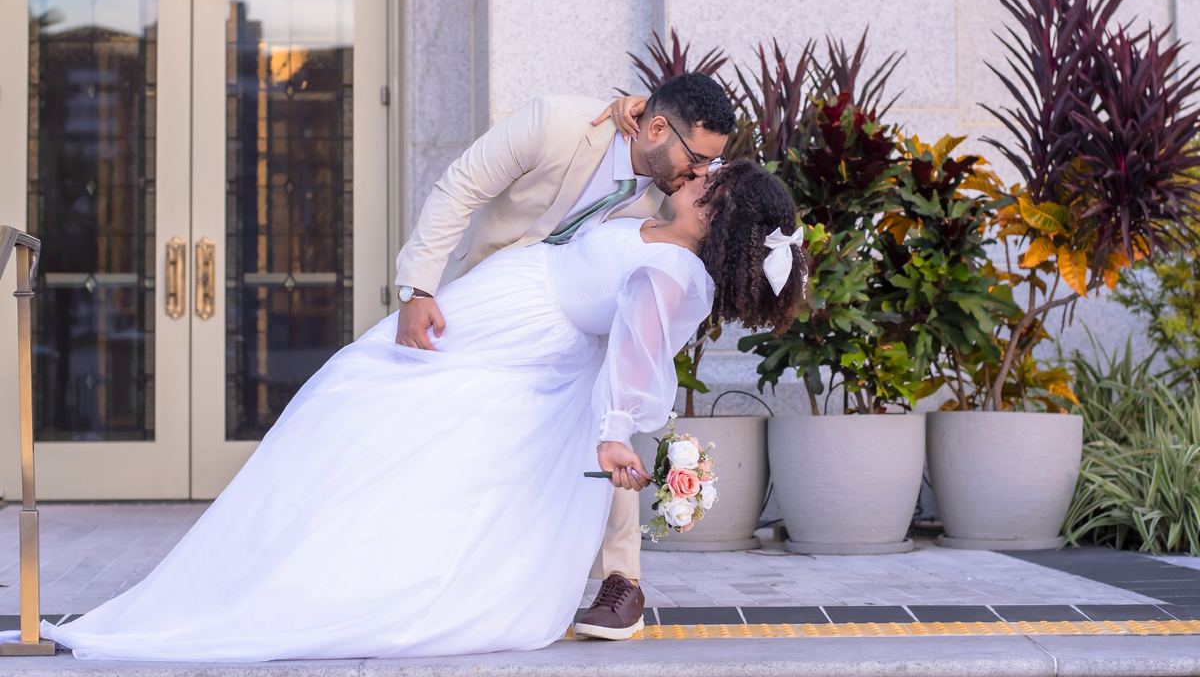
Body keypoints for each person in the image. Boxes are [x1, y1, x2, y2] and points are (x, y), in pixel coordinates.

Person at [38, 160, 808, 661]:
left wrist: (613, 438)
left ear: (717, 218)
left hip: (507, 353)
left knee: (367, 423)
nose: (699, 174)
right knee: (354, 415)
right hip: (498, 330)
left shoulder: (673, 273)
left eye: (714, 181)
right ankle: (275, 564)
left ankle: (320, 583)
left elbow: (637, 357)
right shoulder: (656, 231)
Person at [393, 73, 734, 639]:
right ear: (652, 126)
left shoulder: (672, 187)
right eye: (697, 159)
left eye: (710, 166)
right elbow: (460, 187)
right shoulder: (556, 122)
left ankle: (622, 579)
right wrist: (417, 289)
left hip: (582, 320)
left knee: (606, 415)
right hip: (500, 300)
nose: (701, 175)